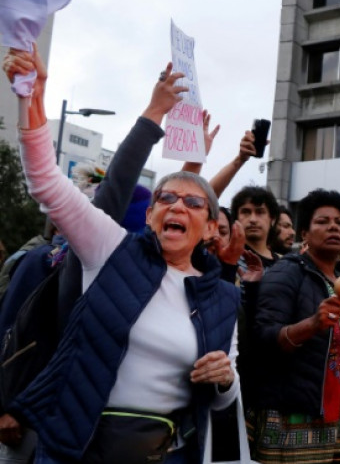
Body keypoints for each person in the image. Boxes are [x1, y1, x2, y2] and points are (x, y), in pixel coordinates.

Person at [2, 48, 240, 463]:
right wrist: (32, 97)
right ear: (150, 216)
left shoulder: (223, 297)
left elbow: (223, 400)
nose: (178, 206)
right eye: (167, 197)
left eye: (194, 203)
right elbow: (45, 183)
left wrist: (224, 380)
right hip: (76, 450)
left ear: (209, 229)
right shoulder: (109, 248)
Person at [249, 188, 340, 463]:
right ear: (304, 235)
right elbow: (262, 335)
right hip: (290, 413)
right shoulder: (288, 271)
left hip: (332, 415)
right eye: (322, 221)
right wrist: (311, 324)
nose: (333, 226)